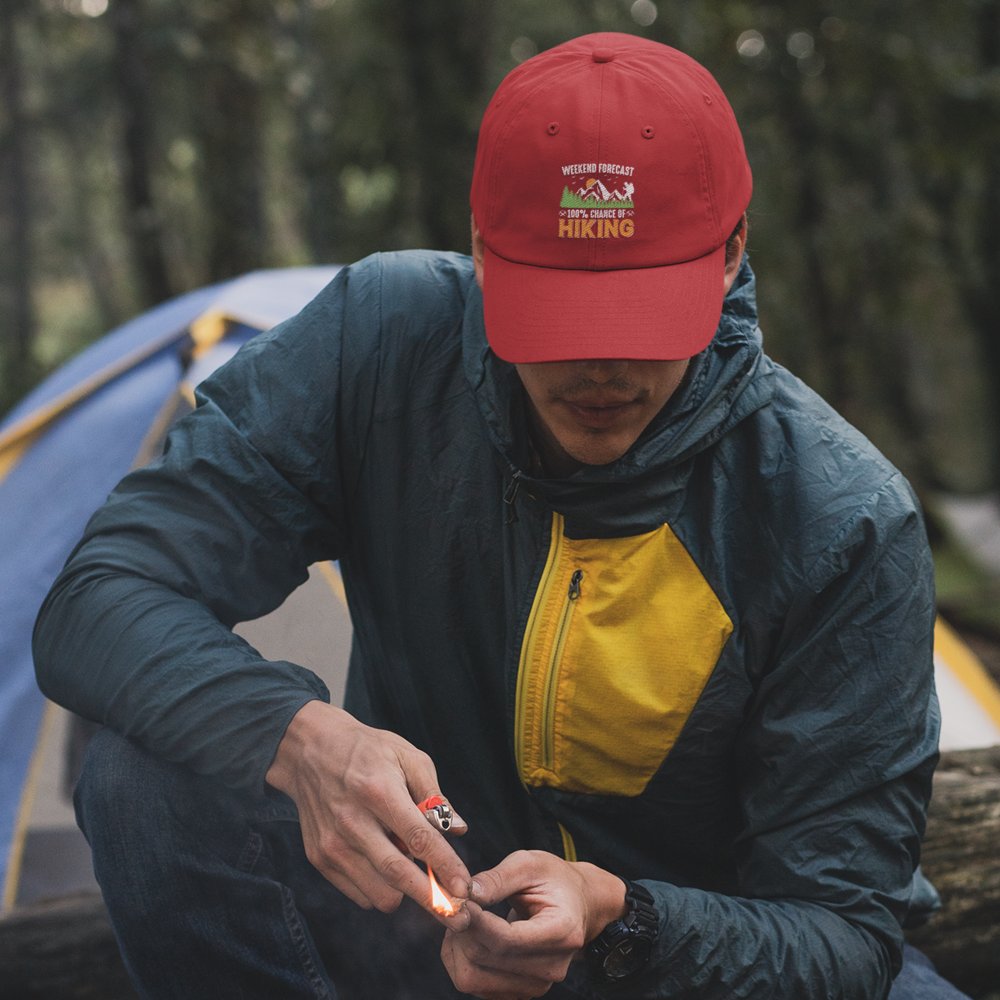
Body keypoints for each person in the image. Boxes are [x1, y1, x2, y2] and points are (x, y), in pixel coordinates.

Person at [33, 32, 968, 1000]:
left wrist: (619, 916)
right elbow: (97, 597)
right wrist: (294, 734)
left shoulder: (837, 514)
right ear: (482, 250)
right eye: (559, 317)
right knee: (149, 769)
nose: (600, 369)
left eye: (641, 320)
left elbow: (842, 933)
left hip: (679, 958)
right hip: (429, 924)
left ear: (730, 253)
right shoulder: (380, 345)